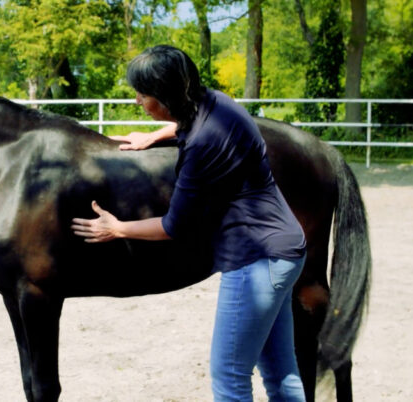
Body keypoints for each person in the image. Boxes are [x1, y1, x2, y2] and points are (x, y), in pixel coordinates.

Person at [71, 45, 307, 401]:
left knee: (229, 376)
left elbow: (173, 226)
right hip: (285, 248)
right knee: (280, 371)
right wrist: (155, 135)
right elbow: (190, 122)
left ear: (166, 97)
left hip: (256, 260)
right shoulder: (216, 102)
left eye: (143, 94)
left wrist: (117, 228)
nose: (137, 101)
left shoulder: (201, 146)